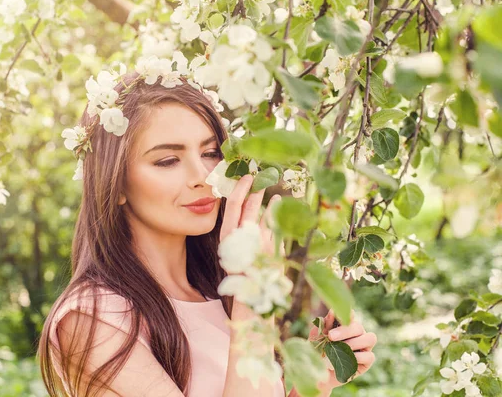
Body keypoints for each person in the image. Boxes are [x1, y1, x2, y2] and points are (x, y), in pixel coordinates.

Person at [37, 69, 377, 397]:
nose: (203, 175)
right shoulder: (93, 319)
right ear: (116, 182)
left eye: (211, 153)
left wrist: (315, 385)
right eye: (168, 160)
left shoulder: (217, 294)